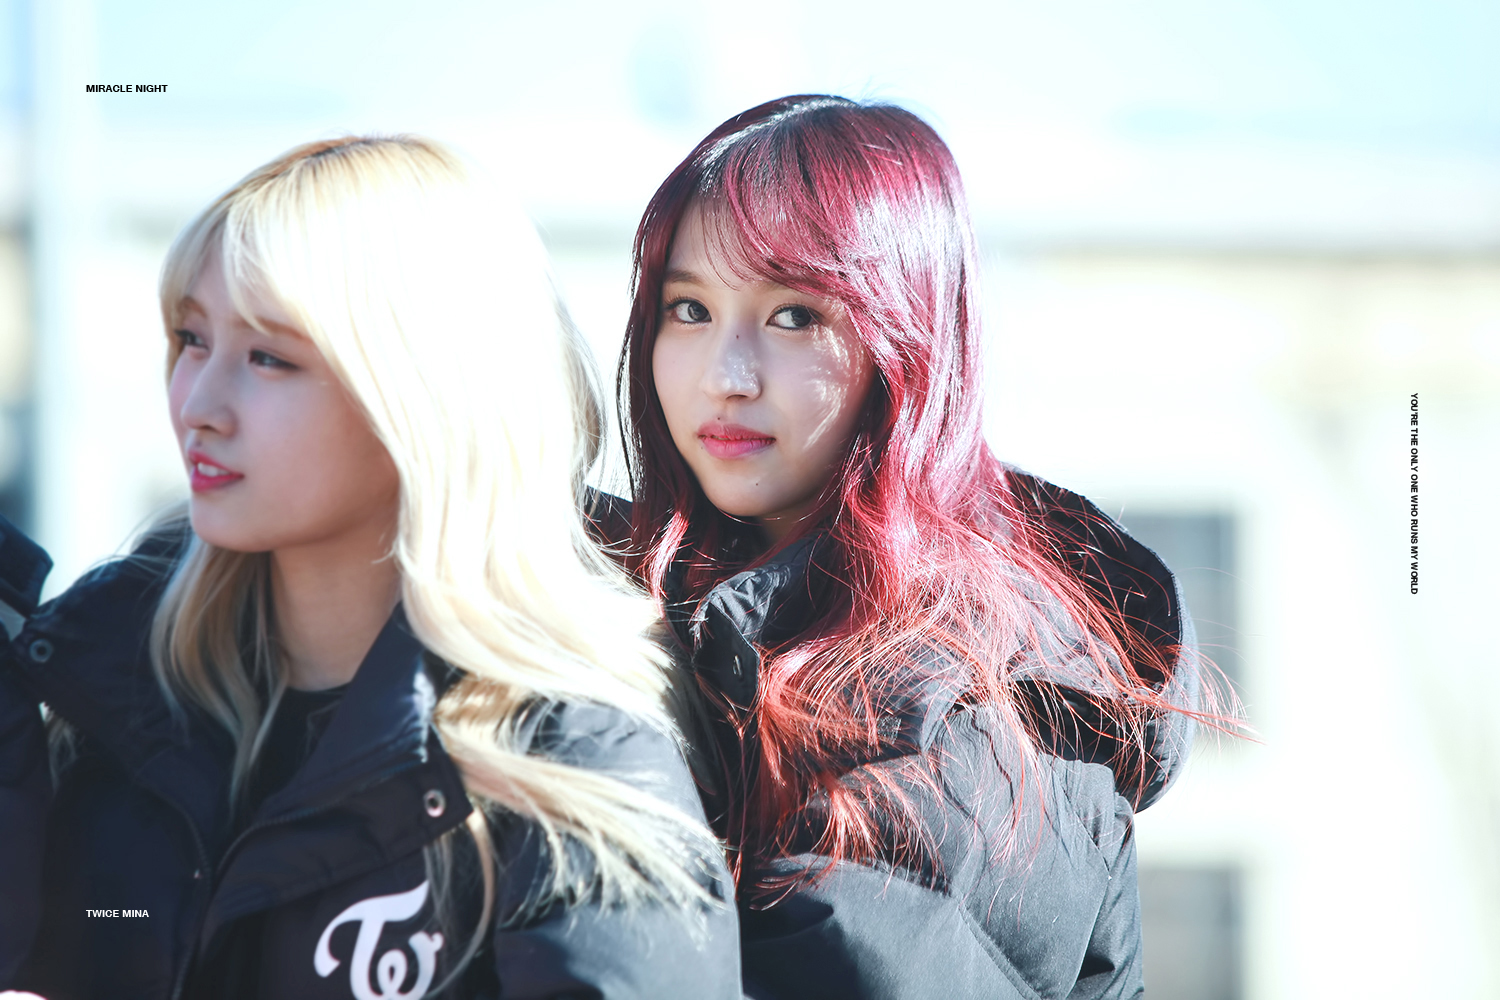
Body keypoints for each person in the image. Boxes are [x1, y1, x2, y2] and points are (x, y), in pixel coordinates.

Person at [0, 136, 740, 999]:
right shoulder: (99, 690)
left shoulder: (573, 762)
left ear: (426, 396)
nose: (198, 405)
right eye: (191, 338)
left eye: (269, 357)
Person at [611, 95, 1212, 1000]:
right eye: (688, 308)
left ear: (907, 340)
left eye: (794, 317)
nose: (725, 376)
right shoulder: (657, 604)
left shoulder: (942, 710)